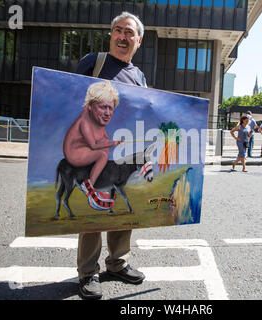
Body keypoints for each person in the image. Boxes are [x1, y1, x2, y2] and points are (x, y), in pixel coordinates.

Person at [74, 11, 147, 300]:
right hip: (95, 149)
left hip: (124, 152)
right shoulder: (94, 63)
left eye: (129, 33)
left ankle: (117, 263)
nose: (122, 36)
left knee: (122, 209)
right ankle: (87, 272)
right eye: (118, 30)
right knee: (92, 212)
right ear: (111, 35)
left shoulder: (139, 75)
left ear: (138, 41)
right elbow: (69, 98)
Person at [63, 80, 123, 208]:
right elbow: (93, 146)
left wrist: (107, 141)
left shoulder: (98, 121)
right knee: (102, 155)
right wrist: (114, 143)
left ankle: (94, 182)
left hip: (83, 150)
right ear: (90, 106)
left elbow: (102, 138)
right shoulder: (85, 122)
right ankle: (89, 186)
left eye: (110, 108)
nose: (107, 112)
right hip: (74, 153)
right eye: (103, 107)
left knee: (104, 148)